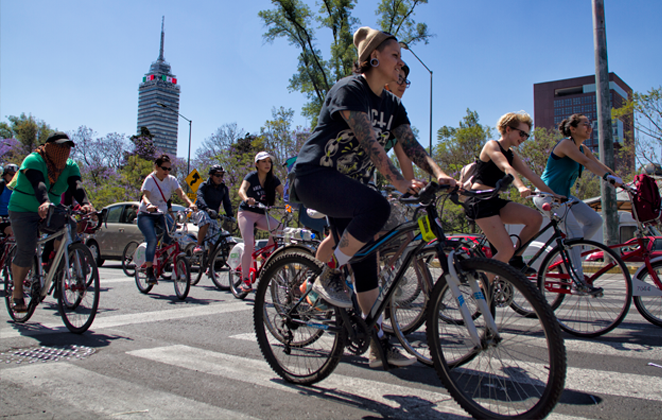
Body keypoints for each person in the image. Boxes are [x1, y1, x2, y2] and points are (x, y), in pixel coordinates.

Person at [293, 27, 455, 368]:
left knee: (367, 268)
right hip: (316, 176)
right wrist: (396, 181)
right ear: (375, 58)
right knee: (377, 206)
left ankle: (378, 345)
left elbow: (410, 145)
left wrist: (437, 173)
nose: (400, 63)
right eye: (395, 55)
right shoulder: (349, 89)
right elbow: (370, 142)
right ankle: (330, 274)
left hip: (350, 187)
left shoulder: (393, 105)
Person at [314, 62, 415, 266]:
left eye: (406, 80)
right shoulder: (363, 102)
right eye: (399, 78)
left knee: (372, 232)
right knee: (339, 237)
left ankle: (361, 278)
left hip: (361, 181)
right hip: (333, 179)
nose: (403, 84)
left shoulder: (394, 115)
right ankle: (316, 275)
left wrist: (413, 188)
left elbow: (406, 157)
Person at [533, 114, 622, 292]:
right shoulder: (566, 144)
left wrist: (620, 180)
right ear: (573, 129)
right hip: (548, 196)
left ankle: (570, 251)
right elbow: (586, 162)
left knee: (595, 221)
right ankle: (577, 281)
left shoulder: (583, 148)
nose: (589, 128)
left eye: (590, 125)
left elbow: (598, 164)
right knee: (574, 233)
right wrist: (607, 178)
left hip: (565, 196)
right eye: (585, 124)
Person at [7, 132, 95, 312]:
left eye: (67, 148)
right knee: (27, 248)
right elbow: (38, 184)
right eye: (60, 147)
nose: (64, 151)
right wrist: (44, 201)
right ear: (48, 147)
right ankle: (17, 292)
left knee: (70, 225)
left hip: (51, 209)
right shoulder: (33, 160)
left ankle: (56, 268)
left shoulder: (70, 166)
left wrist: (86, 204)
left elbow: (76, 185)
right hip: (23, 209)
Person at [464, 112, 561, 274]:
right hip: (479, 201)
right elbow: (506, 167)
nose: (523, 138)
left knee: (535, 218)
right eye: (521, 133)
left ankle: (515, 258)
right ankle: (484, 288)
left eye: (527, 136)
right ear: (508, 129)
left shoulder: (511, 154)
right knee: (505, 249)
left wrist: (554, 195)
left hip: (494, 201)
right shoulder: (492, 146)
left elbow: (531, 175)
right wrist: (521, 187)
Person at [137, 154, 197, 285]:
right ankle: (149, 272)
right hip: (146, 214)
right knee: (152, 240)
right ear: (156, 167)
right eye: (164, 168)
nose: (167, 172)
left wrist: (190, 203)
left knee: (174, 232)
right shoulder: (150, 179)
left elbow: (181, 193)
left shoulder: (171, 180)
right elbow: (145, 196)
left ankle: (164, 253)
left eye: (169, 169)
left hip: (161, 214)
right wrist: (148, 205)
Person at [236, 151, 284, 293]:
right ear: (257, 164)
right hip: (246, 213)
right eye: (263, 161)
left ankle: (265, 254)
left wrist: (292, 203)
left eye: (269, 161)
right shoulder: (251, 176)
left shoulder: (273, 180)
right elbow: (241, 190)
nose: (267, 164)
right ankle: (245, 279)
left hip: (261, 214)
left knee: (280, 228)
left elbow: (284, 194)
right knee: (249, 244)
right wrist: (246, 199)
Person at [193, 164, 234, 254]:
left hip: (213, 215)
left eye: (222, 175)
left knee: (214, 240)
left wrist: (230, 215)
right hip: (200, 212)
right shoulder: (204, 185)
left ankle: (209, 264)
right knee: (205, 219)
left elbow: (226, 203)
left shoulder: (224, 188)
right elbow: (200, 197)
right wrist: (207, 209)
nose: (220, 178)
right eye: (217, 175)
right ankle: (198, 245)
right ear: (211, 175)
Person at [0, 163, 18, 236]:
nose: (13, 177)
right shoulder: (1, 185)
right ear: (5, 175)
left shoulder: (19, 188)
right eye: (11, 174)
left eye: (16, 175)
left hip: (11, 218)